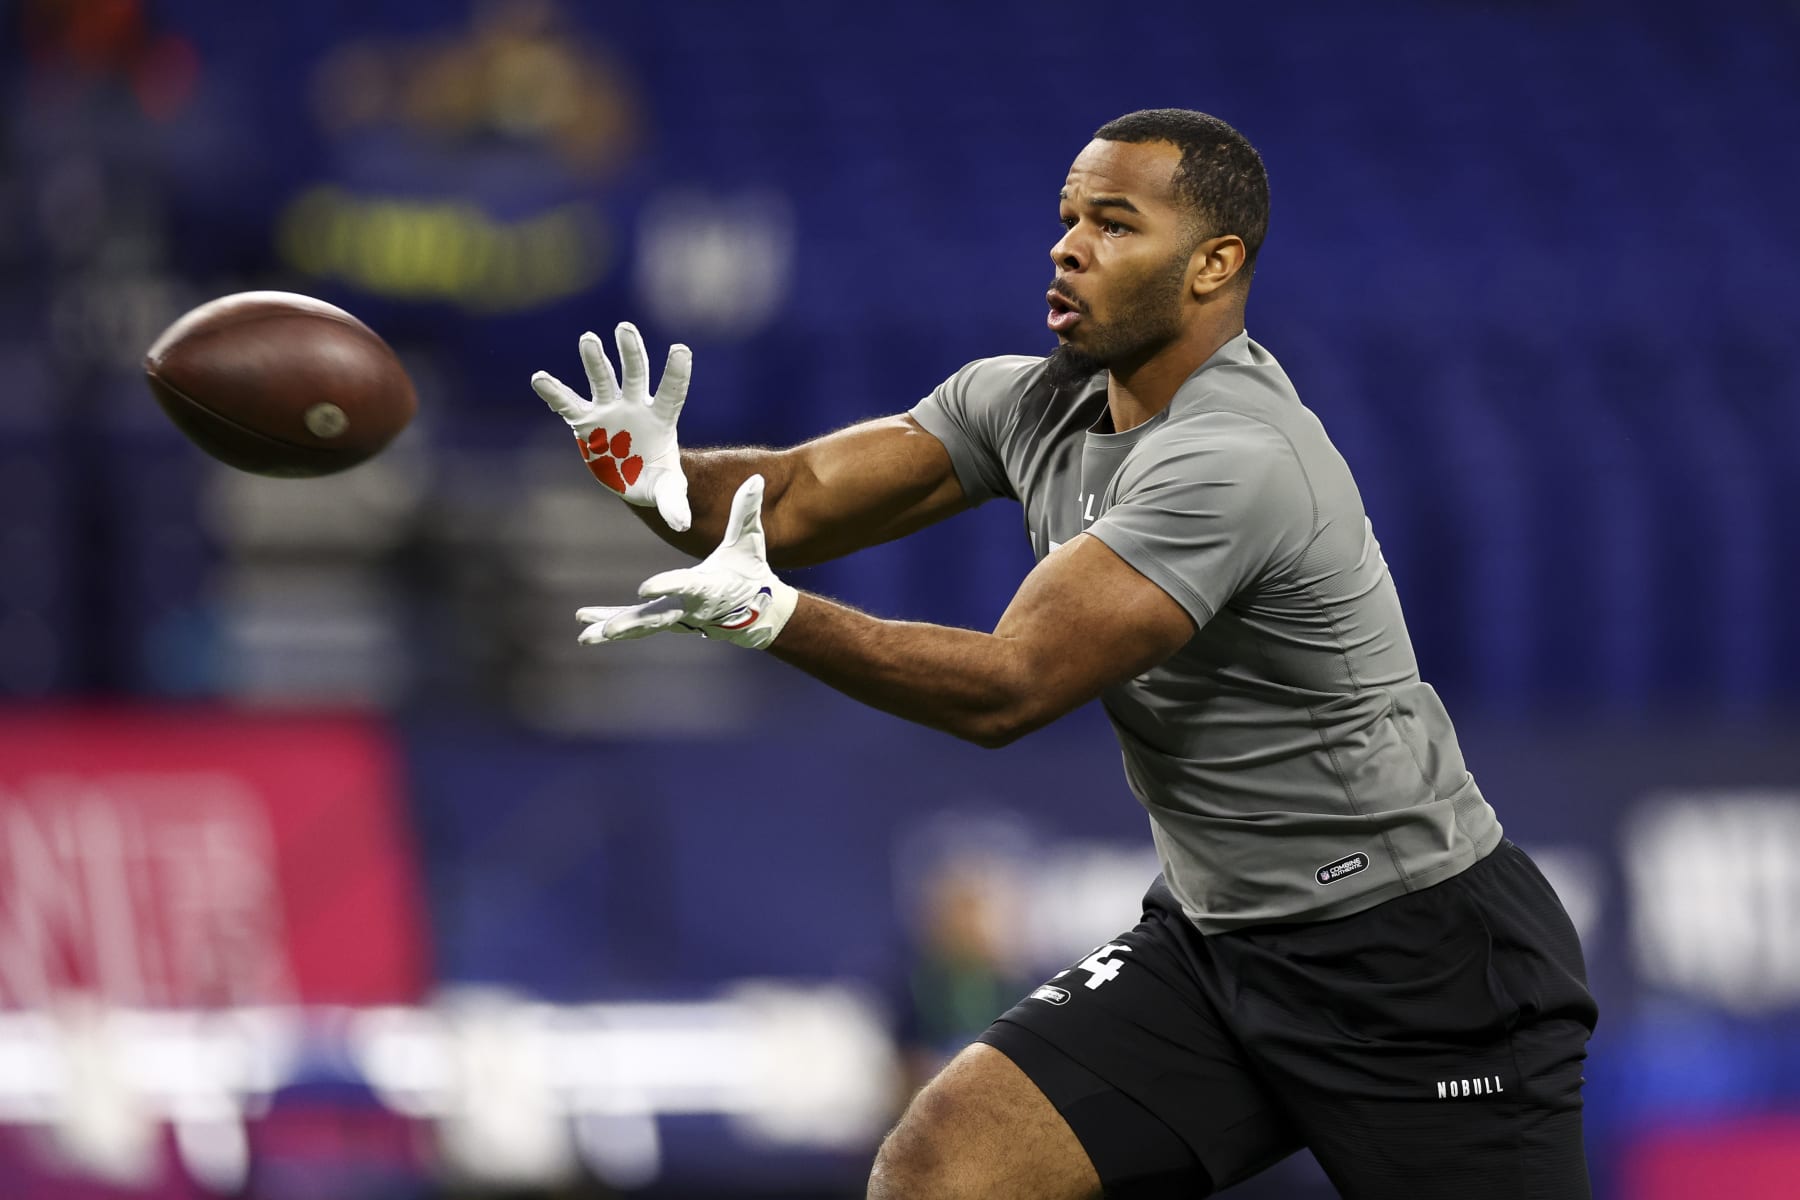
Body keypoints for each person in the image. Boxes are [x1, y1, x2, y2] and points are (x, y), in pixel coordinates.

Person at [530, 109, 1598, 1200]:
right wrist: (660, 480)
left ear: (1213, 265)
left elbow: (1010, 688)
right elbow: (789, 503)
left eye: (1115, 223)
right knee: (943, 1168)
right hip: (1217, 942)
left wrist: (772, 618)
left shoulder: (1236, 459)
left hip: (1416, 961)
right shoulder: (1028, 401)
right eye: (1068, 217)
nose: (1068, 245)